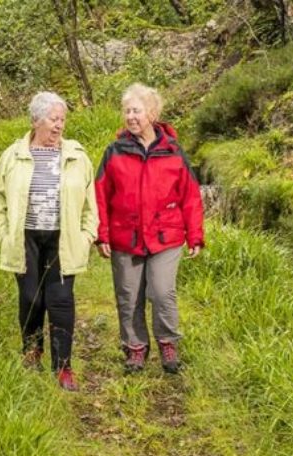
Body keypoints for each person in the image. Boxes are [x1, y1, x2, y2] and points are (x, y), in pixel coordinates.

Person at [0, 91, 100, 391]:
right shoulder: (13, 155)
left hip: (63, 240)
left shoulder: (77, 156)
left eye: (62, 119)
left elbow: (91, 204)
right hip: (25, 239)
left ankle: (63, 367)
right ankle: (31, 353)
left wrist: (87, 236)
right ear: (36, 121)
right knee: (31, 299)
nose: (59, 125)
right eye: (53, 119)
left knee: (61, 302)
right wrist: (2, 231)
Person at [95, 83, 204, 375]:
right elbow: (100, 195)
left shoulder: (173, 152)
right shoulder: (114, 152)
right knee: (128, 295)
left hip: (165, 237)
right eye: (127, 111)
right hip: (124, 237)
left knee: (161, 290)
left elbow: (190, 196)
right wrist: (102, 233)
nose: (130, 116)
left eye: (136, 110)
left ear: (152, 113)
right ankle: (135, 349)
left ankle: (168, 342)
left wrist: (195, 235)